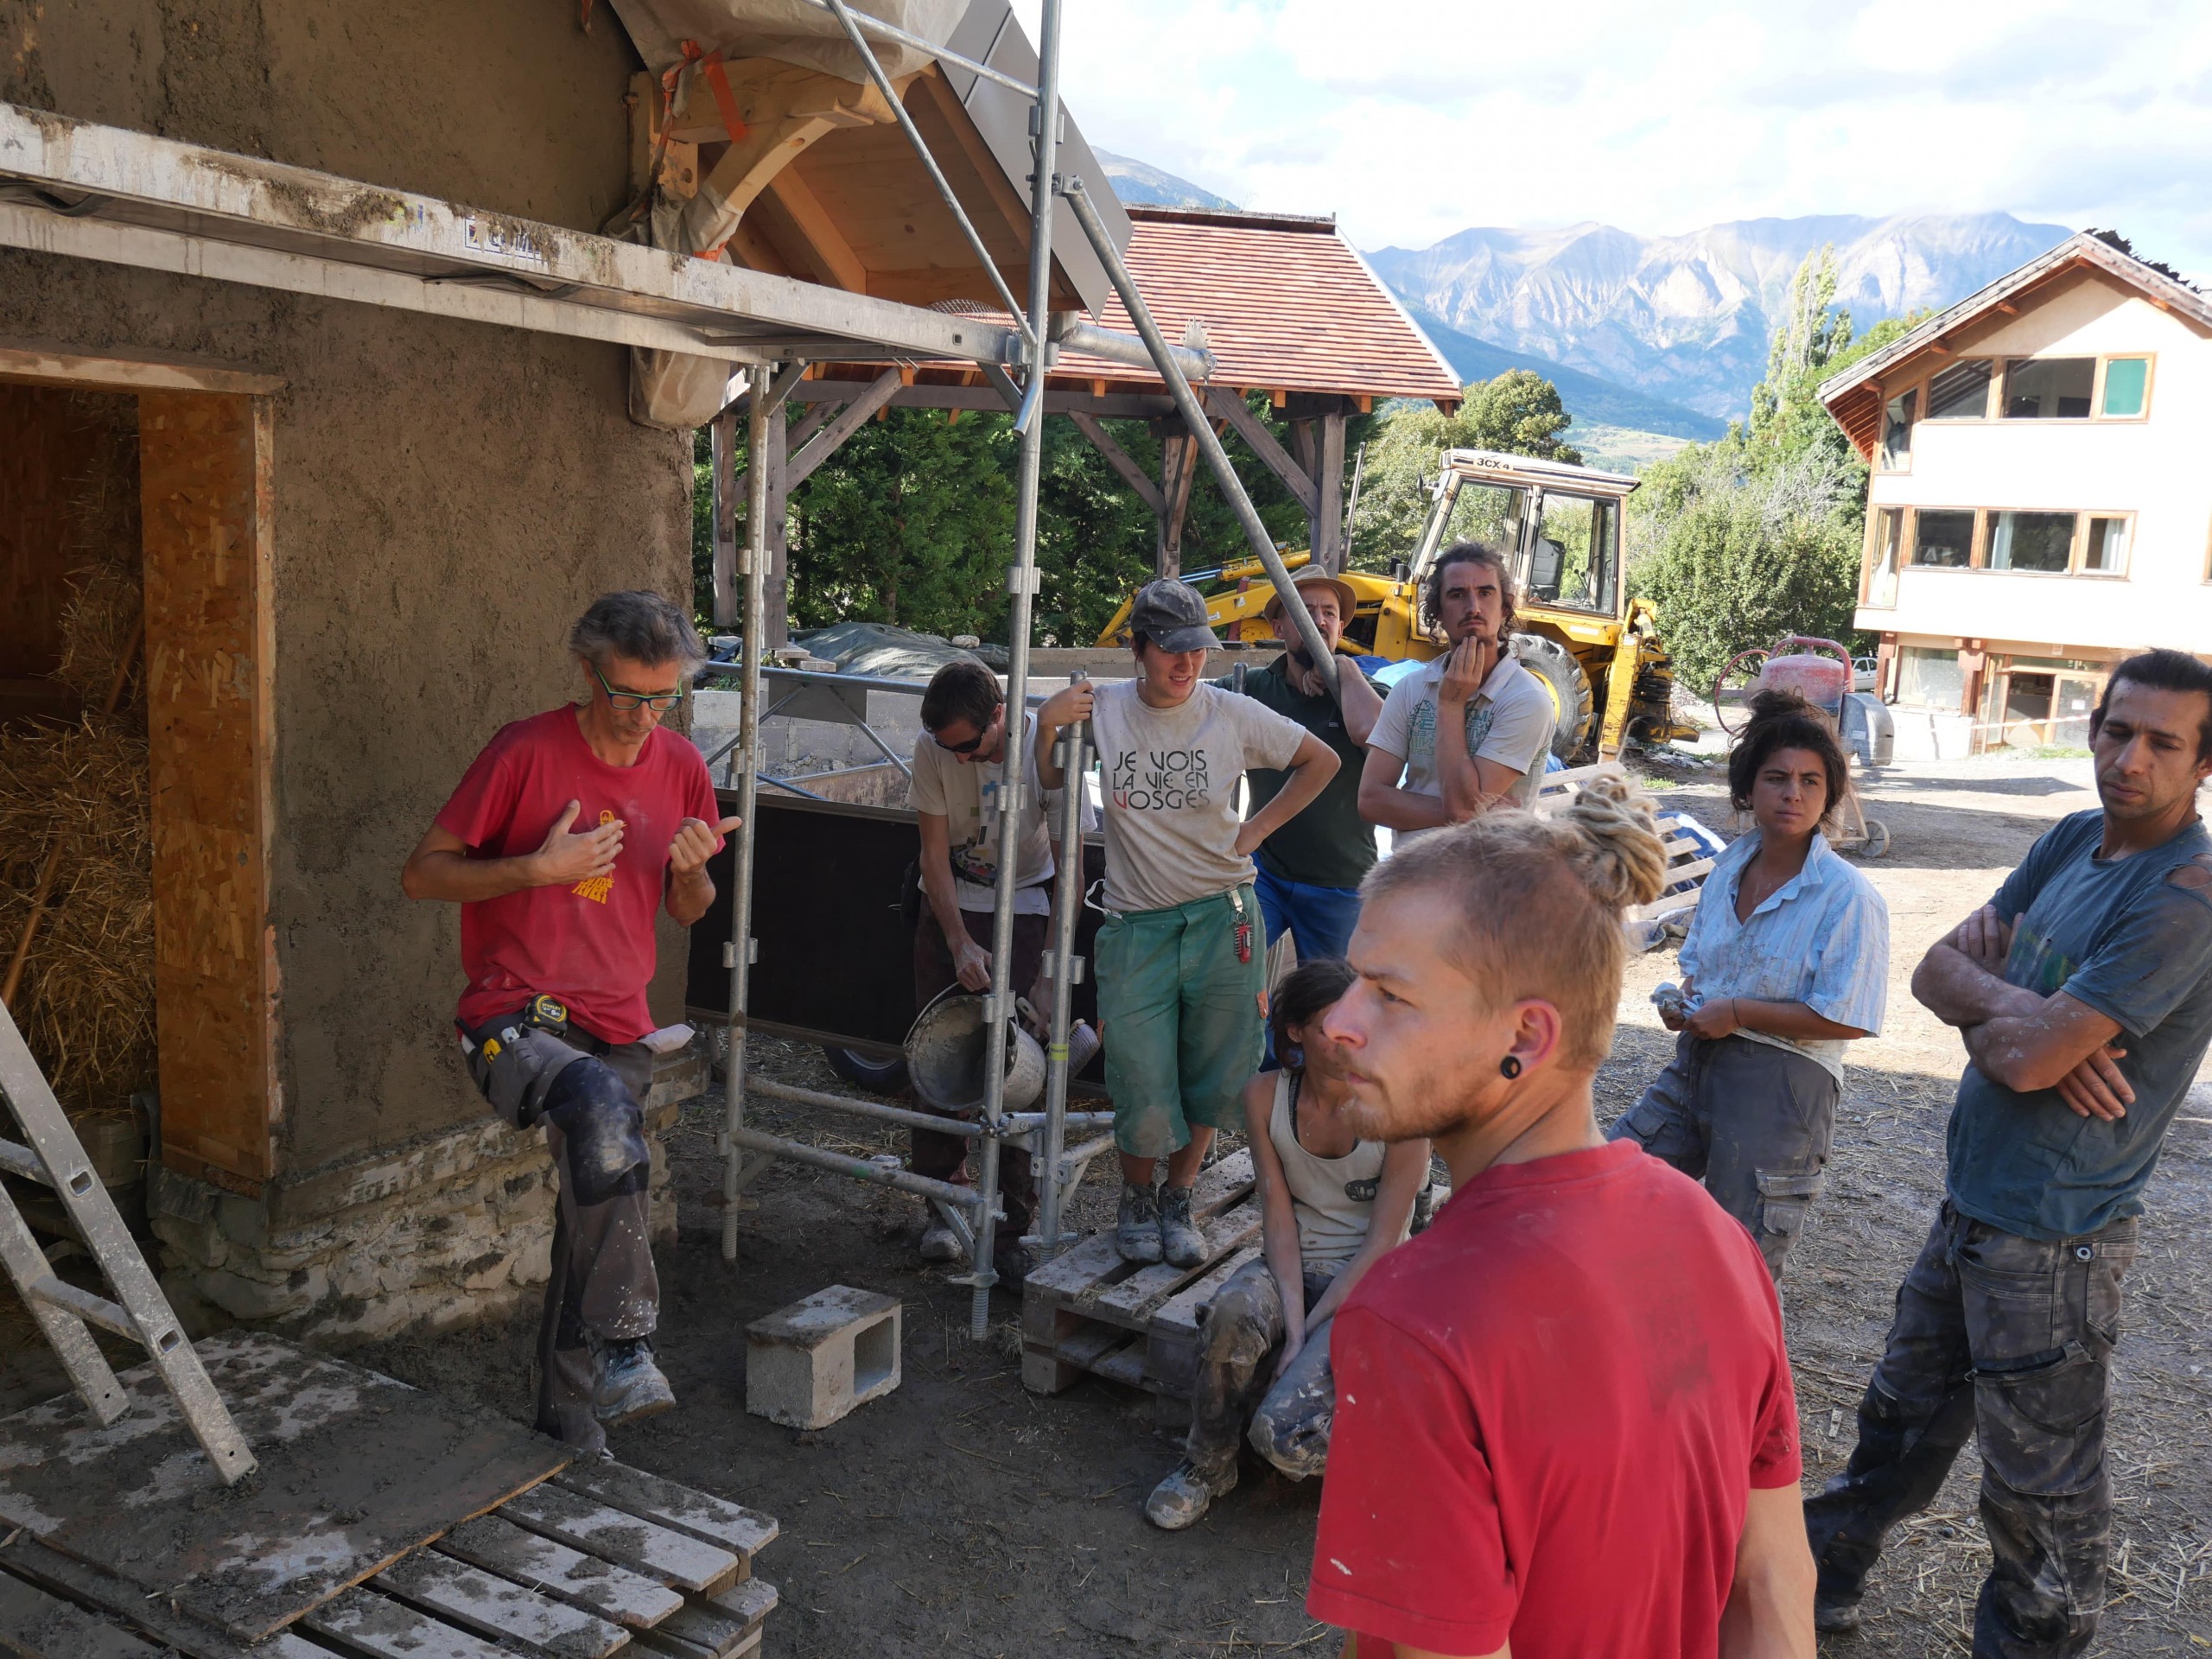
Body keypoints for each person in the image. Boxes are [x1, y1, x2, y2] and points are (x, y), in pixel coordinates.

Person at [1307, 777, 1816, 1657]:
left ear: (1525, 1039)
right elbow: (1772, 1588)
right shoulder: (1714, 1238)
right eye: (1354, 982)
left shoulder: (1414, 1323)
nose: (1338, 1025)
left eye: (1388, 996)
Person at [1805, 648, 2212, 1654]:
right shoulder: (2076, 839)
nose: (2131, 758)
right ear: (2092, 729)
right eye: (2118, 731)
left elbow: (2025, 1062)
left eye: (2165, 743)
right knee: (1896, 1426)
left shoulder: (2184, 900)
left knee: (2040, 1502)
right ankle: (1816, 1586)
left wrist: (2013, 1031)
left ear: (2203, 766)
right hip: (1975, 1204)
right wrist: (2025, 1018)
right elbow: (1937, 972)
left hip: (2056, 1242)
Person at [401, 591, 735, 1452]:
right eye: (626, 695)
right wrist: (537, 868)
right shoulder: (524, 751)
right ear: (586, 673)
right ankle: (628, 1346)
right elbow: (423, 876)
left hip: (618, 1022)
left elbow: (689, 910)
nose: (642, 717)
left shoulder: (681, 766)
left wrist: (695, 872)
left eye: (662, 699)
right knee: (594, 1107)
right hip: (514, 1014)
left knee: (594, 1205)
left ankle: (569, 1419)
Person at [1035, 579, 1339, 1268]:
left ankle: (1178, 1194)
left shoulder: (1229, 713)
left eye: (1197, 650)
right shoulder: (1102, 709)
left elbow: (1320, 761)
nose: (1186, 664)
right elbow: (1050, 780)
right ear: (1137, 649)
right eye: (1170, 650)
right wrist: (1049, 722)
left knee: (1216, 1069)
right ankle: (1136, 1198)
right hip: (1136, 925)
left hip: (1222, 918)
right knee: (1141, 1073)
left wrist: (1257, 828)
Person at [1610, 690, 1888, 1280]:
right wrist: (1686, 1003)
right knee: (1609, 1184)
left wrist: (1738, 1011)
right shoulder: (1729, 869)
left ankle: (1731, 1372)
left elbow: (1851, 1017)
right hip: (1697, 1065)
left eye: (1811, 782)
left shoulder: (1848, 897)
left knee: (1734, 1268)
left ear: (1829, 795)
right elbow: (1704, 966)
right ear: (1748, 789)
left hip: (1785, 1091)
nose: (1794, 794)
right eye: (1777, 778)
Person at [1144, 957, 1429, 1530]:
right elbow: (1277, 1218)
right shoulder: (1264, 1097)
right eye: (1332, 1024)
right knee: (1230, 1313)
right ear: (1295, 1031)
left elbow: (1381, 1245)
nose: (1352, 1036)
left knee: (1280, 1437)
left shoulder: (1402, 1109)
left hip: (1373, 1282)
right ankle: (1208, 1465)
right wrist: (1293, 1330)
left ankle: (1405, 1462)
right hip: (1297, 1259)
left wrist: (1308, 1338)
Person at [907, 658, 1092, 1284]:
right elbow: (932, 856)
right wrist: (958, 941)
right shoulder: (933, 750)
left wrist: (1047, 969)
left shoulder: (1047, 748)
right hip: (954, 904)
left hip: (1028, 907)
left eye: (970, 747)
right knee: (937, 1057)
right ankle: (943, 1204)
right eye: (947, 748)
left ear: (999, 716)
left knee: (1021, 1067)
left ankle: (1015, 1223)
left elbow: (1073, 869)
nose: (959, 759)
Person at [1215, 567, 1386, 963]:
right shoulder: (1255, 687)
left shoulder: (1365, 692)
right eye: (1305, 611)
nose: (1319, 620)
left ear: (1341, 626)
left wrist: (1343, 669)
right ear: (1279, 627)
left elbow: (1375, 731)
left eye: (1328, 612)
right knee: (1226, 970)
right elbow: (1190, 705)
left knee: (1327, 1004)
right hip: (1265, 875)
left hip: (1341, 883)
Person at [1358, 541, 1556, 836]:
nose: (1473, 607)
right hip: (1414, 875)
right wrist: (1473, 813)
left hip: (1488, 878)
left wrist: (1451, 704)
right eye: (1457, 594)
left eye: (1485, 593)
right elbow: (1371, 800)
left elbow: (1464, 808)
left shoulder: (1527, 700)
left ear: (1505, 607)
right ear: (1437, 610)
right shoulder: (1410, 690)